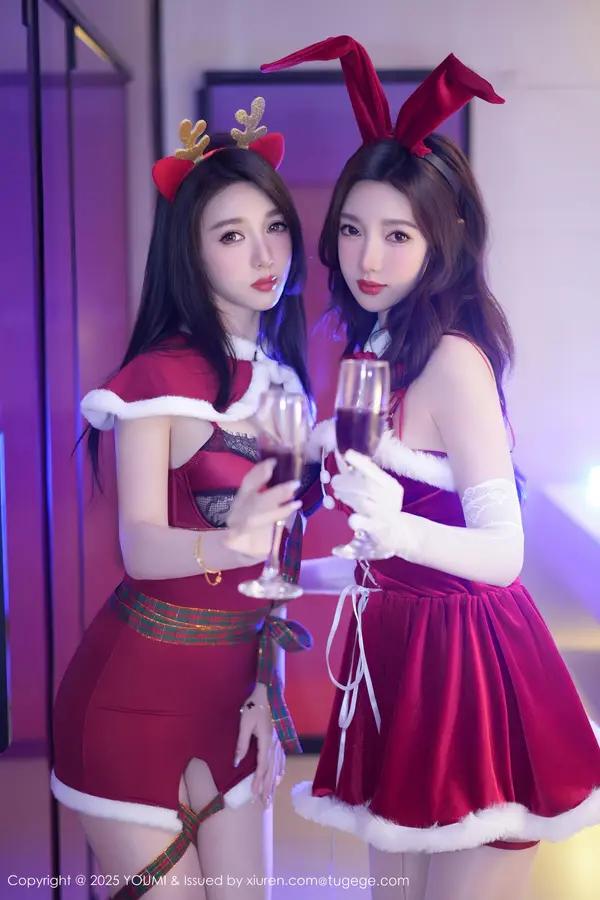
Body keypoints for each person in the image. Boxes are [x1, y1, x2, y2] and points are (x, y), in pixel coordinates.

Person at [262, 37, 600, 900]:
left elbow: (504, 552)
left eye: (396, 234)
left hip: (470, 672)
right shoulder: (375, 350)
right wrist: (293, 572)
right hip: (401, 659)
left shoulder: (452, 360)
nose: (367, 259)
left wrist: (394, 525)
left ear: (441, 241)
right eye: (351, 230)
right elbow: (389, 555)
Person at [50, 98, 316, 899]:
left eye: (274, 226)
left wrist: (268, 688)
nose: (264, 253)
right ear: (189, 254)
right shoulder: (158, 380)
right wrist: (228, 540)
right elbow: (138, 544)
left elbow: (276, 571)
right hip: (131, 701)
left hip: (233, 699)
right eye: (231, 236)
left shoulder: (285, 383)